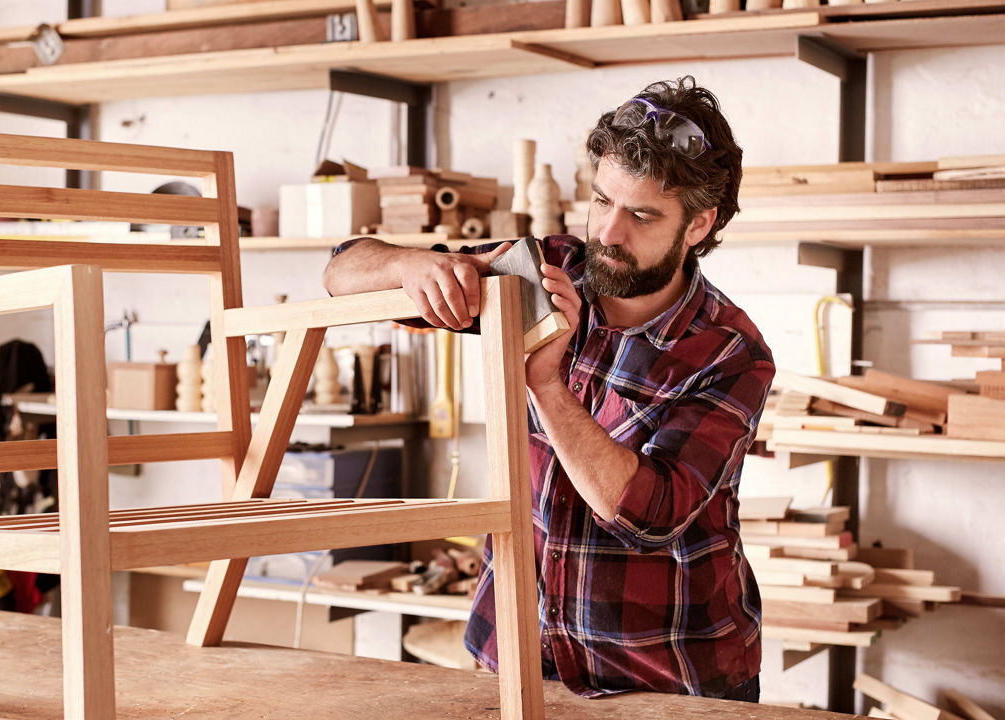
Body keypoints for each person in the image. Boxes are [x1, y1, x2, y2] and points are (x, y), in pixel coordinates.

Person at [321, 77, 773, 702]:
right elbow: (341, 270)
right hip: (517, 661)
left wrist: (546, 386)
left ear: (698, 224)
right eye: (601, 200)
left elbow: (648, 515)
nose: (609, 232)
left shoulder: (728, 351)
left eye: (641, 214)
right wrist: (410, 265)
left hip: (665, 678)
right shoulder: (540, 270)